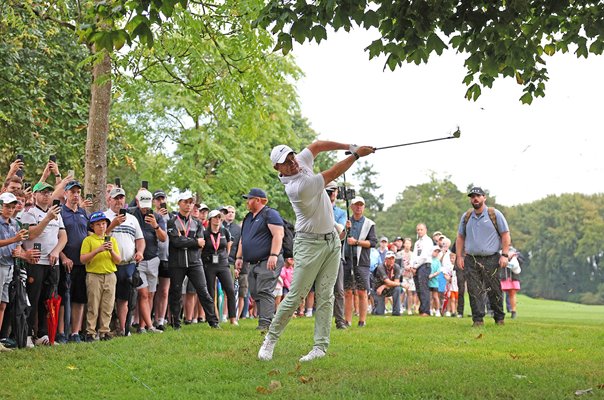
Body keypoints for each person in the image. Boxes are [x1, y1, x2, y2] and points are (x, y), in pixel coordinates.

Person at [258, 140, 374, 362]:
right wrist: (356, 156)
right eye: (286, 162)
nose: (292, 162)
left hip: (331, 242)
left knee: (326, 295)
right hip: (308, 244)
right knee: (295, 296)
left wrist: (350, 146)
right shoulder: (297, 188)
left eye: (292, 156)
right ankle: (270, 340)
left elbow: (317, 145)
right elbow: (330, 174)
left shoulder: (299, 161)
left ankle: (320, 347)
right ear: (277, 169)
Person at [455, 186, 511, 327]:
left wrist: (504, 254)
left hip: (491, 258)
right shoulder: (467, 217)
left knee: (494, 289)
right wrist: (459, 256)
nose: (475, 198)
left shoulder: (494, 214)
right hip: (471, 258)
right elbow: (460, 237)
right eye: (472, 196)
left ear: (484, 197)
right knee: (474, 290)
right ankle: (478, 320)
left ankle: (499, 318)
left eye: (478, 196)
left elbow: (505, 234)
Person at [20, 181, 66, 346]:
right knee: (32, 298)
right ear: (35, 194)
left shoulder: (57, 214)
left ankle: (43, 334)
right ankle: (27, 334)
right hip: (35, 261)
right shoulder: (29, 213)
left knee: (48, 299)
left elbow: (63, 237)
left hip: (52, 262)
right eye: (43, 193)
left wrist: (56, 251)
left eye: (49, 193)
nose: (46, 195)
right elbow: (31, 235)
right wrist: (47, 218)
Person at [166, 192, 219, 329]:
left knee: (203, 291)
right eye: (186, 202)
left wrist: (187, 241)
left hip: (195, 262)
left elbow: (202, 243)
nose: (189, 205)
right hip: (177, 262)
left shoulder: (197, 223)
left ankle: (213, 322)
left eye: (191, 202)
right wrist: (194, 241)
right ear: (179, 203)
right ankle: (176, 324)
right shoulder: (172, 221)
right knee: (176, 292)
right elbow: (176, 242)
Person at [235, 188, 284, 331]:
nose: (247, 202)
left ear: (258, 200)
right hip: (252, 262)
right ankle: (266, 320)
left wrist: (273, 255)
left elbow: (278, 235)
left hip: (267, 260)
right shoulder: (248, 218)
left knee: (265, 290)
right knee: (255, 292)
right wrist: (239, 257)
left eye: (249, 199)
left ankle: (265, 324)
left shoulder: (270, 214)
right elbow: (243, 239)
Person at [105, 187, 145, 336]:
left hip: (128, 264)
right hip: (109, 264)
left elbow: (140, 240)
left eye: (121, 198)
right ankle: (105, 329)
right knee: (107, 298)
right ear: (109, 200)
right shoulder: (104, 216)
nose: (119, 201)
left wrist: (140, 252)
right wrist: (113, 224)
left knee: (123, 299)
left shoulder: (132, 218)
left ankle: (123, 329)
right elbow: (99, 237)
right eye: (116, 198)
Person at [129, 189, 167, 333]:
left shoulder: (156, 216)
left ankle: (142, 326)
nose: (145, 208)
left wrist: (155, 226)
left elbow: (163, 238)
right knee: (143, 294)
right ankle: (149, 326)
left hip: (153, 259)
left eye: (147, 204)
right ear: (137, 202)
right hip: (138, 259)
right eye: (142, 203)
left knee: (150, 294)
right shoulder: (131, 214)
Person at [80, 211, 121, 341]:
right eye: (98, 224)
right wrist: (98, 250)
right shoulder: (88, 240)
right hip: (94, 275)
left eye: (103, 224)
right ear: (92, 226)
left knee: (108, 305)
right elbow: (83, 259)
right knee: (93, 304)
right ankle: (90, 331)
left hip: (110, 274)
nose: (102, 227)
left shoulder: (112, 240)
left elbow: (118, 260)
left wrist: (111, 251)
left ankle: (104, 330)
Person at [58, 180, 90, 343]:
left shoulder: (84, 213)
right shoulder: (60, 213)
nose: (75, 195)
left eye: (78, 192)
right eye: (72, 192)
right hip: (65, 261)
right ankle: (62, 332)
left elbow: (91, 234)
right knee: (63, 298)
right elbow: (55, 238)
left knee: (79, 298)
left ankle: (75, 332)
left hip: (82, 263)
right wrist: (63, 257)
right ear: (66, 194)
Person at [0, 192, 33, 346]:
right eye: (7, 206)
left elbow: (18, 245)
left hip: (10, 265)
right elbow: (13, 240)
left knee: (3, 304)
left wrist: (21, 252)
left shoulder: (14, 223)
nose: (10, 209)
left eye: (13, 207)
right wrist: (14, 240)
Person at [343, 196, 377, 327]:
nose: (358, 207)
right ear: (351, 207)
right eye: (356, 205)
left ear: (363, 207)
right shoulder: (346, 221)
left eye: (361, 205)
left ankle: (362, 321)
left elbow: (373, 242)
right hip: (346, 259)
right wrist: (345, 229)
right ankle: (347, 320)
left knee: (362, 291)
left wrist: (356, 242)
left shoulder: (369, 224)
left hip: (361, 261)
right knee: (347, 291)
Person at [201, 210, 237, 325]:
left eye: (220, 218)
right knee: (211, 291)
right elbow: (201, 249)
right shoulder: (205, 233)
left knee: (230, 290)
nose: (218, 220)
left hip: (222, 264)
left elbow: (228, 246)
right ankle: (212, 318)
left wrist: (224, 257)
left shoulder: (224, 231)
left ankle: (233, 318)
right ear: (210, 219)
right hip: (209, 264)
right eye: (215, 217)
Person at [325, 181, 347, 329]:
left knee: (338, 289)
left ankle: (340, 321)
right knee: (321, 289)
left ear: (337, 192)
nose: (331, 193)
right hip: (319, 252)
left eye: (333, 191)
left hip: (336, 253)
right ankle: (322, 321)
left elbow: (340, 234)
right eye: (328, 191)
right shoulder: (316, 209)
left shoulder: (341, 213)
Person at [152, 190, 170, 330]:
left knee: (163, 291)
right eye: (158, 199)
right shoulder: (150, 216)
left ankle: (160, 319)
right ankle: (142, 319)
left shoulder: (172, 217)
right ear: (153, 201)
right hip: (153, 255)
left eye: (162, 199)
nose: (160, 201)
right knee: (150, 290)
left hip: (167, 257)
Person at [411, 223, 434, 316]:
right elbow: (414, 255)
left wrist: (415, 266)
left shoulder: (428, 241)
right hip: (416, 267)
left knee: (424, 288)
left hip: (424, 265)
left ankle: (426, 311)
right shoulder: (417, 243)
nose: (419, 231)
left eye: (421, 229)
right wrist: (412, 266)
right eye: (418, 230)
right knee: (418, 289)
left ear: (425, 230)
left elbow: (424, 256)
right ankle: (422, 309)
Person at [373, 251, 402, 315]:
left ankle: (396, 312)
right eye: (389, 259)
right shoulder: (380, 267)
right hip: (379, 290)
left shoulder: (397, 267)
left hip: (386, 288)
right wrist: (401, 284)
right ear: (385, 259)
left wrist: (383, 286)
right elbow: (388, 281)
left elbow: (396, 282)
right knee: (379, 313)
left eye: (393, 258)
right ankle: (375, 308)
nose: (391, 260)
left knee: (397, 288)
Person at [501, 246, 521, 319]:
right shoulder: (498, 250)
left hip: (513, 276)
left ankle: (513, 311)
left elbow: (520, 262)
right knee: (499, 294)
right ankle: (499, 311)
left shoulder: (515, 252)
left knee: (512, 294)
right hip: (502, 275)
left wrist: (514, 256)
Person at [428, 246, 442, 317]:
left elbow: (439, 270)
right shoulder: (428, 259)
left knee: (435, 296)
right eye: (435, 251)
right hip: (428, 281)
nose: (436, 253)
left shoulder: (437, 261)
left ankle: (437, 310)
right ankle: (430, 309)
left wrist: (432, 275)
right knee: (429, 297)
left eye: (437, 252)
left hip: (435, 281)